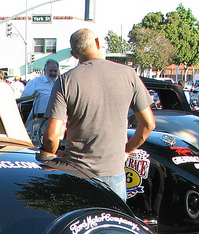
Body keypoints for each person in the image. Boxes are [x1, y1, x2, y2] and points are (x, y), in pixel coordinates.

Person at [40, 28, 155, 201]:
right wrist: (127, 150)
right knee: (112, 226)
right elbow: (148, 124)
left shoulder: (66, 81)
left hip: (78, 174)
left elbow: (51, 136)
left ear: (74, 54)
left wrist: (51, 155)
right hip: (114, 174)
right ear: (98, 43)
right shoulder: (129, 74)